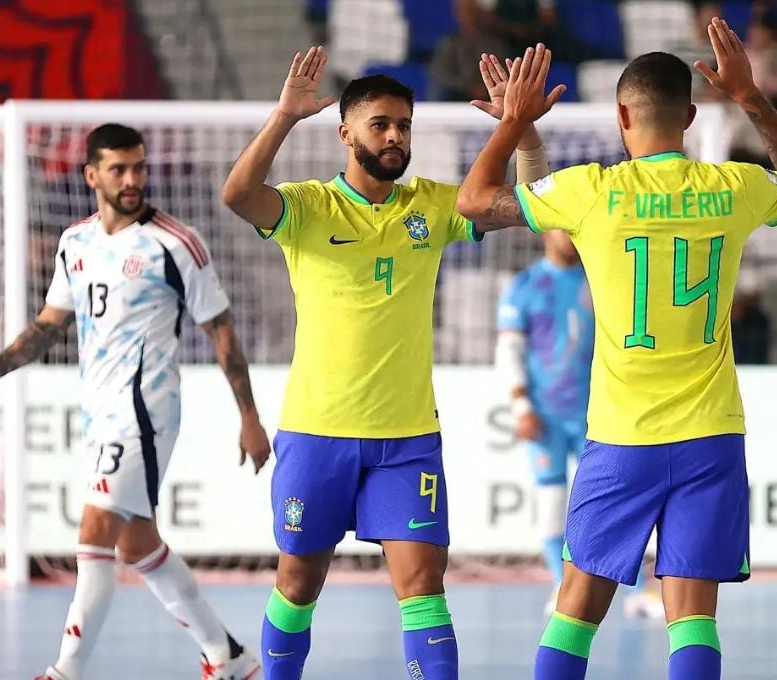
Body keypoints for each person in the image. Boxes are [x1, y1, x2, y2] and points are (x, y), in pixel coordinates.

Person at [456, 18, 777, 679]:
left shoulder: (594, 191)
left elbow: (475, 202)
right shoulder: (733, 188)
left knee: (575, 611)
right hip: (710, 436)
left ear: (621, 115)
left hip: (623, 436)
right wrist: (749, 95)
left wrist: (514, 123)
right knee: (694, 619)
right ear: (690, 117)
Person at [219, 46, 550, 680]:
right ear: (345, 134)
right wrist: (285, 116)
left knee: (424, 585)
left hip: (407, 439)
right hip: (317, 432)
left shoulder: (434, 204)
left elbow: (535, 207)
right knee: (298, 582)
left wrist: (524, 128)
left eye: (404, 125)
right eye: (380, 125)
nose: (395, 136)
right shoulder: (308, 206)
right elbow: (237, 195)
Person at [0, 123, 270, 680]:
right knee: (138, 545)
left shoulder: (175, 243)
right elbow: (50, 325)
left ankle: (66, 670)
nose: (131, 180)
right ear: (92, 175)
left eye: (138, 168)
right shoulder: (75, 243)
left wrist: (250, 417)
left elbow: (220, 330)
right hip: (100, 412)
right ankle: (228, 656)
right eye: (118, 169)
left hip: (146, 411)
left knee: (94, 530)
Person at [496, 229, 665, 620]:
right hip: (547, 418)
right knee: (552, 502)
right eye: (560, 226)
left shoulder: (601, 279)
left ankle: (637, 591)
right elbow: (509, 350)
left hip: (600, 414)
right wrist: (521, 406)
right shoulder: (525, 286)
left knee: (615, 503)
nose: (569, 234)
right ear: (543, 230)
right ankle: (562, 586)